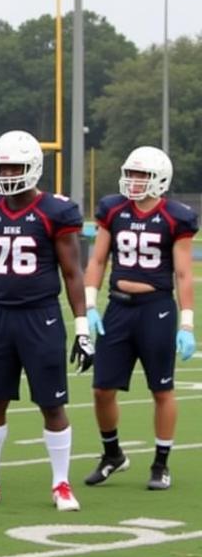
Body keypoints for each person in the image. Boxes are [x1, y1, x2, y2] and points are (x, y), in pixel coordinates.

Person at [0, 130, 92, 511]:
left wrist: (82, 329)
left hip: (40, 316)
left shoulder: (55, 211)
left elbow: (72, 273)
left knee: (52, 404)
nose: (8, 173)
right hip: (0, 316)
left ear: (33, 166)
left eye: (15, 166)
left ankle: (61, 484)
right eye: (2, 167)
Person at [82, 146, 197, 491]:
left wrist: (187, 323)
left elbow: (183, 273)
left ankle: (161, 463)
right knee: (102, 389)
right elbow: (98, 261)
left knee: (161, 389)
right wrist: (89, 305)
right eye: (131, 174)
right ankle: (112, 454)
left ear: (159, 178)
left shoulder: (176, 216)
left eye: (142, 175)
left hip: (156, 308)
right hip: (118, 307)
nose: (134, 181)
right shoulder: (113, 209)